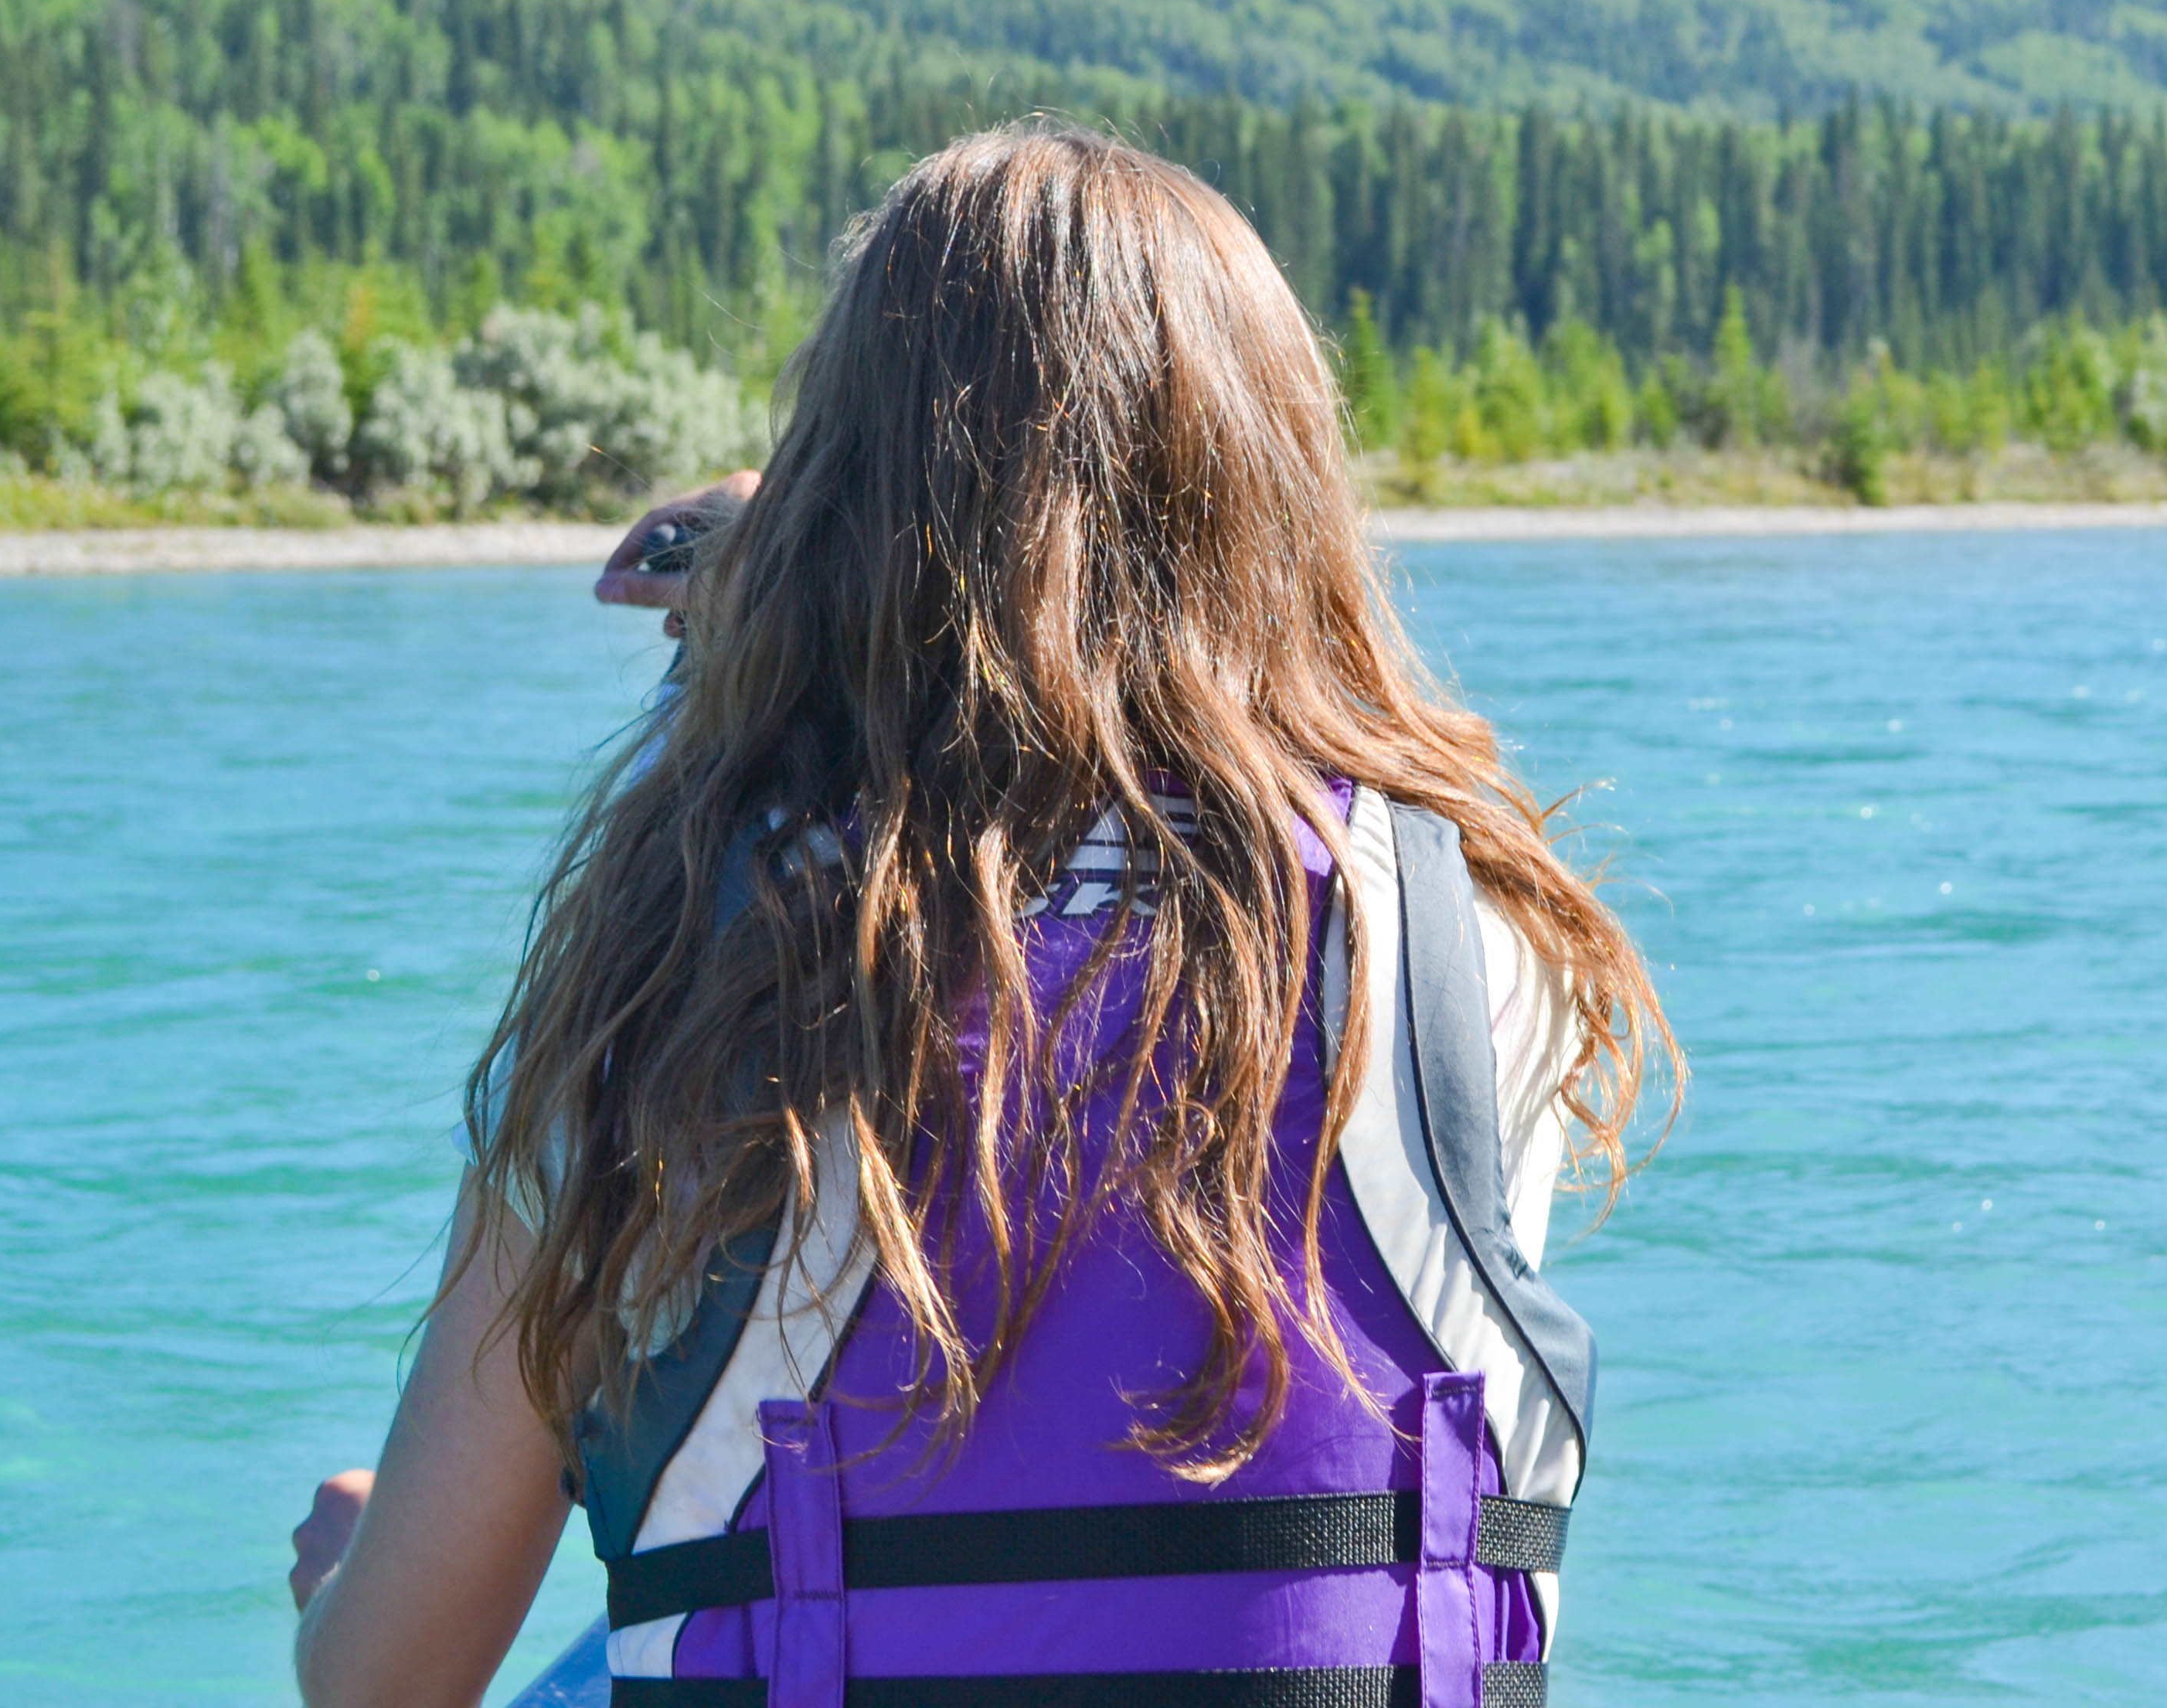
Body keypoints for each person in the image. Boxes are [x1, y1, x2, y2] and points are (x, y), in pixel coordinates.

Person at [284, 127, 1677, 1708]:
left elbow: (388, 1685)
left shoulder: (671, 971)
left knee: (616, 1603)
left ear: (835, 512)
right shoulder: (1481, 950)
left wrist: (751, 676)